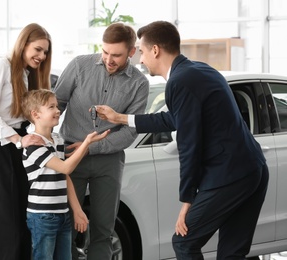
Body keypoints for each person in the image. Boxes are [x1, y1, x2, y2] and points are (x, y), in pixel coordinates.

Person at [96, 20, 269, 259]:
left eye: (143, 52)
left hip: (229, 175)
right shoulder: (199, 69)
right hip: (253, 169)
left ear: (155, 50)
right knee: (232, 253)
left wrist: (187, 200)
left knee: (184, 242)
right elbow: (175, 119)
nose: (142, 60)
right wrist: (122, 118)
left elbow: (189, 145)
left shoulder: (180, 81)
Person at [53, 22, 149, 260]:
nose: (108, 59)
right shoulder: (79, 66)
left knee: (103, 230)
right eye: (105, 52)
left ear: (131, 52)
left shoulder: (139, 84)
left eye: (116, 55)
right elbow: (56, 104)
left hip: (109, 161)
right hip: (70, 158)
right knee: (64, 225)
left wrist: (90, 146)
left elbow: (130, 131)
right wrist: (46, 140)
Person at [0, 23, 52, 260]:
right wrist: (18, 139)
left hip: (19, 148)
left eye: (45, 53)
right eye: (38, 49)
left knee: (22, 222)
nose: (41, 56)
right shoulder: (1, 67)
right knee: (3, 225)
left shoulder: (28, 75)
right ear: (24, 43)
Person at [21, 89, 110, 260]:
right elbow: (65, 168)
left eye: (57, 106)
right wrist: (87, 143)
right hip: (42, 216)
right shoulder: (33, 145)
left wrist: (77, 211)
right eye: (51, 107)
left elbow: (64, 177)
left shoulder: (57, 140)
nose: (58, 110)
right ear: (36, 114)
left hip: (62, 214)